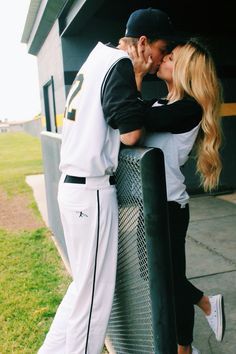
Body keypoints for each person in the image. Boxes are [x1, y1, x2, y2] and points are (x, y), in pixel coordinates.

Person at [38, 8, 176, 354]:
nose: (160, 58)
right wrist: (138, 80)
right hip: (90, 192)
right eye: (161, 48)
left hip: (73, 187)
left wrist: (137, 79)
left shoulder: (96, 58)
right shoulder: (118, 64)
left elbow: (117, 115)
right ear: (143, 43)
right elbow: (130, 134)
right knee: (95, 300)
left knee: (82, 289)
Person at [129, 38, 226, 354]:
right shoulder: (160, 104)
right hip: (150, 205)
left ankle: (204, 306)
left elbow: (135, 118)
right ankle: (192, 332)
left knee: (168, 279)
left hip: (169, 206)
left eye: (170, 57)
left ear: (183, 69)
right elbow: (134, 115)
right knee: (158, 277)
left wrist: (137, 76)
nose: (162, 59)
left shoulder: (188, 109)